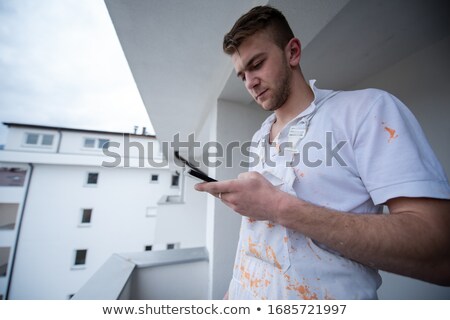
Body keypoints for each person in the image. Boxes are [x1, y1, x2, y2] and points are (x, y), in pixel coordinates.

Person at [195, 5, 450, 299]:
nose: (249, 82)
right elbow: (256, 239)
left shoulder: (366, 111)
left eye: (257, 64)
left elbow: (439, 251)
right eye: (241, 75)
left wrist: (277, 207)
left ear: (292, 52)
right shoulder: (259, 136)